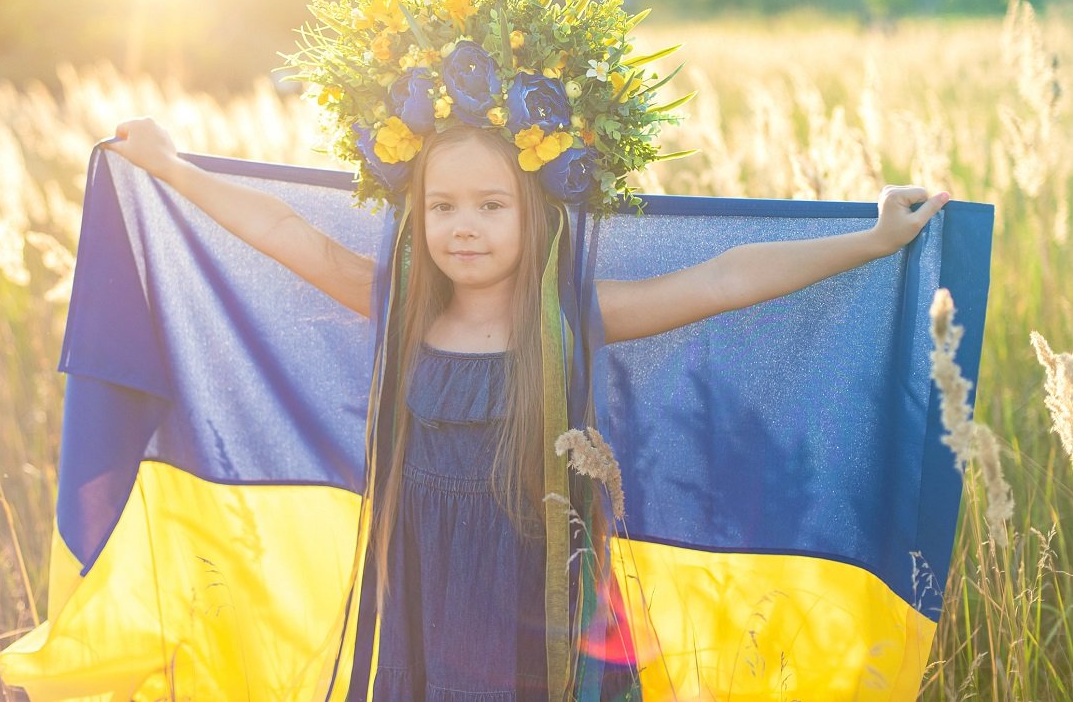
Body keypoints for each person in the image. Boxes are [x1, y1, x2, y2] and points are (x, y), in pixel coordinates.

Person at [103, 110, 947, 699]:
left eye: (489, 205)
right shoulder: (402, 310)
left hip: (536, 599)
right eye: (441, 206)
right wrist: (172, 166)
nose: (462, 225)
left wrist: (873, 239)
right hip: (425, 592)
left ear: (533, 213)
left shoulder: (572, 321)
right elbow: (288, 234)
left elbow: (722, 279)